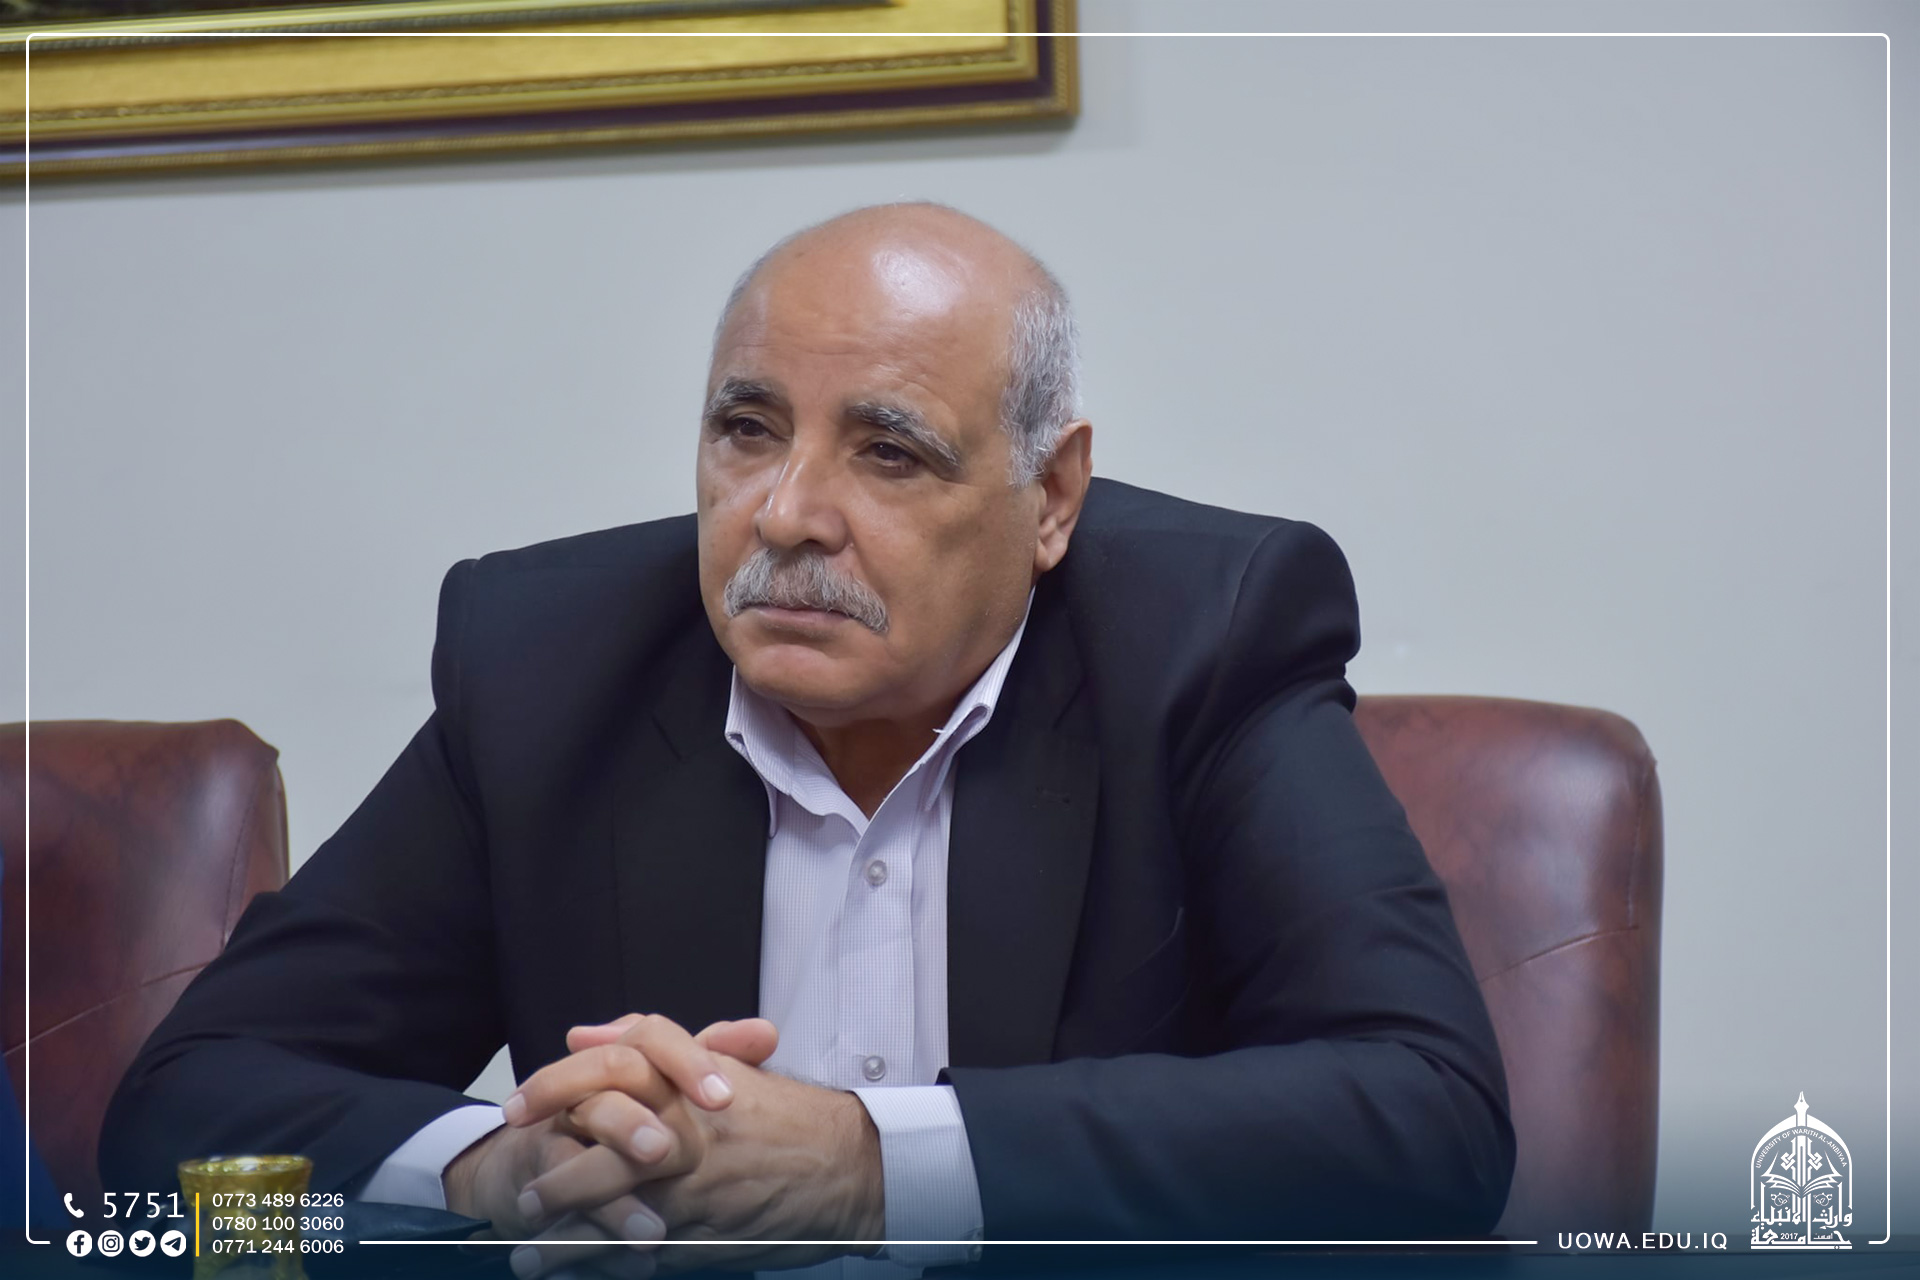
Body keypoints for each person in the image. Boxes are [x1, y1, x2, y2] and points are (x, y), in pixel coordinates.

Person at [100, 203, 1514, 1278]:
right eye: (746, 430)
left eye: (888, 451)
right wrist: (491, 1172)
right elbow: (169, 1138)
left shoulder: (1204, 640)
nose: (784, 515)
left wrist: (868, 1166)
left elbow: (1432, 1125)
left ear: (1052, 499)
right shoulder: (544, 667)